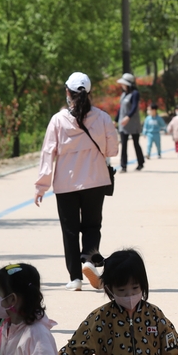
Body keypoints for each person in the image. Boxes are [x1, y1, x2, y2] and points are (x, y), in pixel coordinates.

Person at [35, 72, 118, 292]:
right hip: (95, 180)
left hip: (66, 184)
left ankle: (75, 278)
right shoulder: (102, 117)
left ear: (67, 92)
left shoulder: (58, 120)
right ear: (89, 92)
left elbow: (47, 153)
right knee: (92, 225)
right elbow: (113, 149)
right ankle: (89, 260)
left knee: (70, 231)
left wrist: (41, 186)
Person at [116, 73, 144, 172]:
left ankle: (141, 163)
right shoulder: (123, 94)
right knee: (123, 144)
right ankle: (123, 166)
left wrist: (128, 117)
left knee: (136, 143)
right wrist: (116, 120)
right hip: (123, 123)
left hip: (133, 122)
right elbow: (121, 109)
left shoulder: (135, 93)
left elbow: (134, 107)